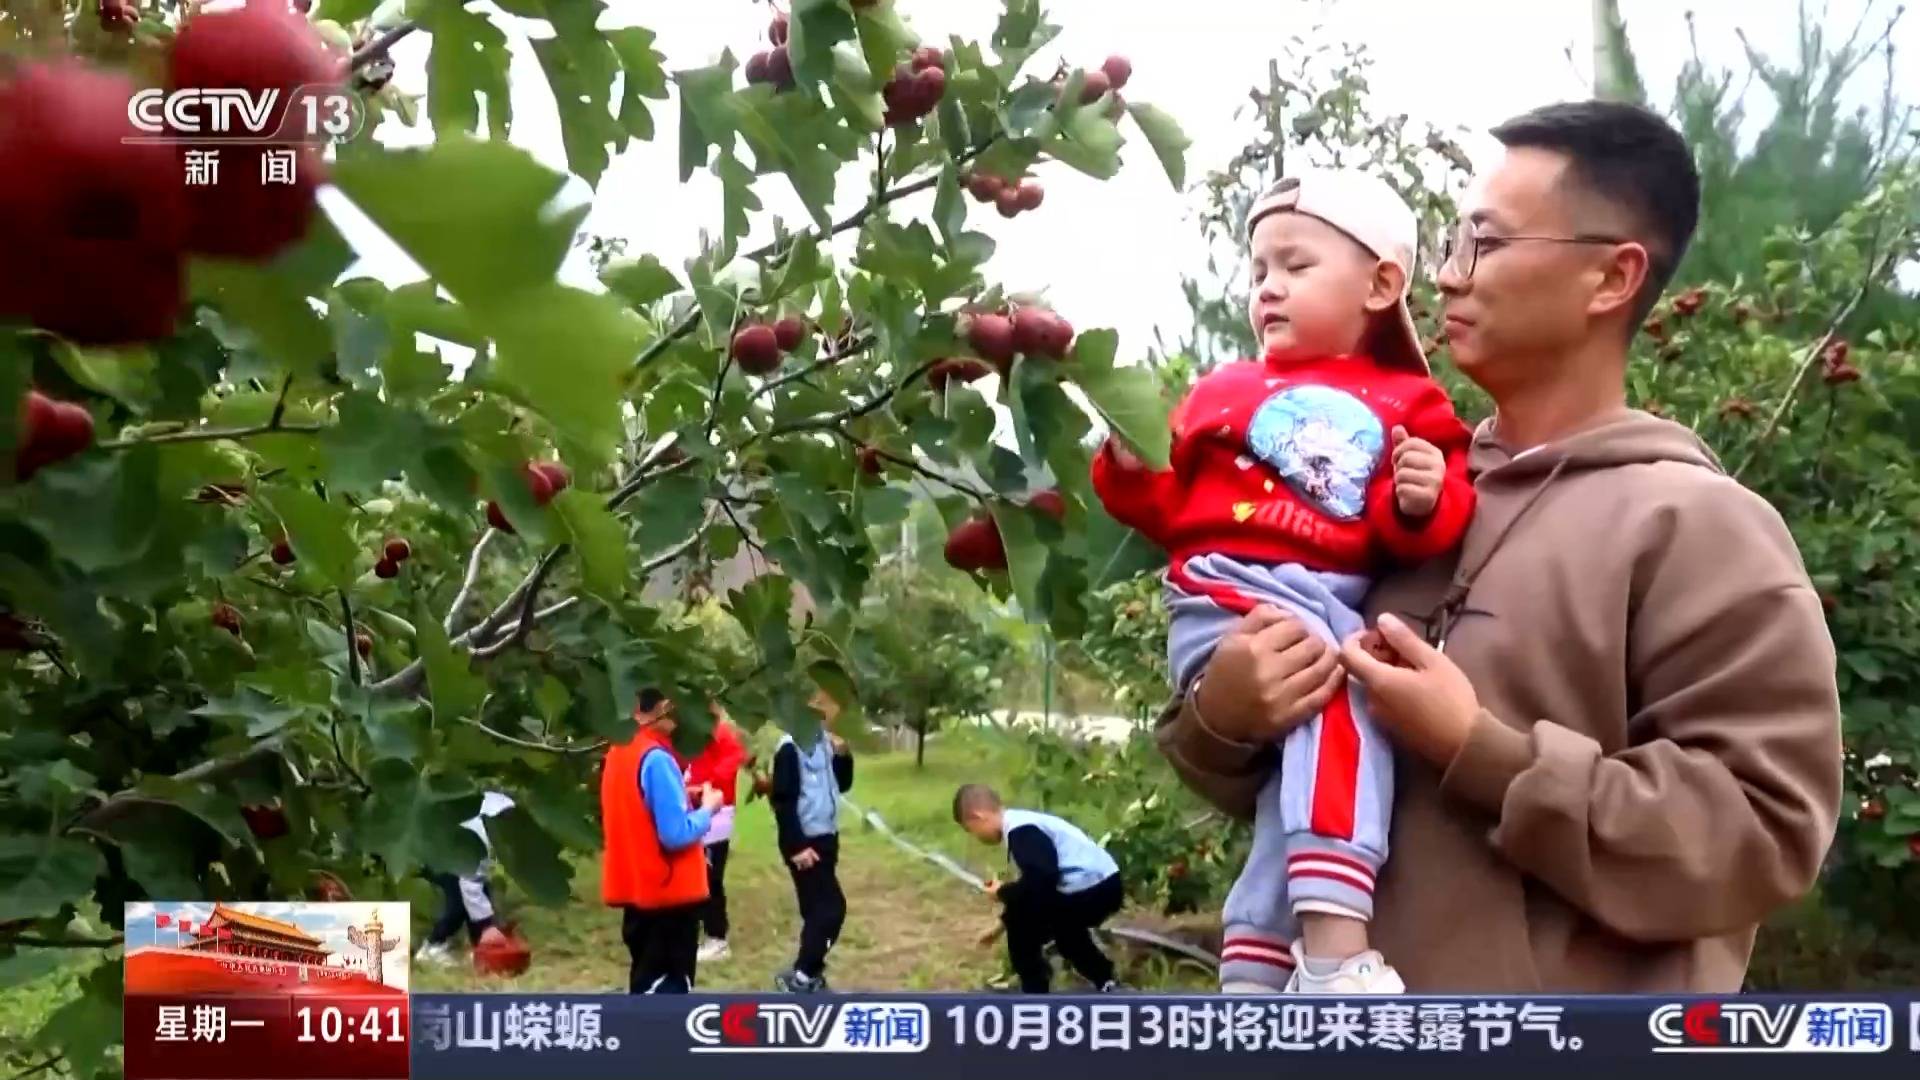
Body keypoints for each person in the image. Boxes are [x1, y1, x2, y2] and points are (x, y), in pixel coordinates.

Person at [1154, 100, 1842, 992]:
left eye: (1485, 243)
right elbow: (1289, 773)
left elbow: (1763, 833)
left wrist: (1479, 749)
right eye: (1450, 245)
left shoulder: (1699, 528)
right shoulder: (1393, 495)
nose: (1446, 278)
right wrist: (1225, 717)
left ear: (1610, 278)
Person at [1093, 168, 1475, 993]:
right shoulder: (1222, 391)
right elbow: (1166, 503)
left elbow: (1420, 526)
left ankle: (1257, 972)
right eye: (1259, 269)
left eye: (1296, 267)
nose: (1268, 288)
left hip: (1323, 597)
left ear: (1381, 284)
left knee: (1291, 782)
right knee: (1348, 699)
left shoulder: (1410, 402)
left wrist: (1420, 499)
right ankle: (1336, 951)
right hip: (1225, 588)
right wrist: (1127, 462)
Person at [600, 688, 722, 993]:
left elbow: (638, 809)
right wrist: (708, 809)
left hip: (638, 892)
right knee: (669, 987)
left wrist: (683, 795)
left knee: (645, 978)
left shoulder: (618, 752)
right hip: (669, 896)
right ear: (665, 707)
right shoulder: (655, 758)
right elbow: (675, 834)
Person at [953, 784, 1125, 994]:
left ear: (977, 816)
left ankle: (1034, 992)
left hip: (1094, 888)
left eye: (971, 830)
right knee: (1064, 930)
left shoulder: (1021, 831)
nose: (976, 837)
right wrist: (1000, 925)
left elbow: (1042, 879)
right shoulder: (1023, 822)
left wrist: (1002, 893)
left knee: (1024, 927)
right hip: (1103, 884)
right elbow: (1036, 889)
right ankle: (1106, 982)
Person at [769, 687, 854, 993]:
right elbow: (783, 802)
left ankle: (811, 976)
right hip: (805, 843)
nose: (835, 711)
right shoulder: (790, 748)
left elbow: (842, 786)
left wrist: (844, 756)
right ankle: (802, 975)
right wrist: (796, 846)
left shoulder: (826, 744)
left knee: (815, 910)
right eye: (829, 704)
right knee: (831, 908)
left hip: (827, 837)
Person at [415, 790, 515, 967]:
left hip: (449, 856)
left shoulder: (487, 817)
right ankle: (432, 947)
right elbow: (471, 883)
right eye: (505, 816)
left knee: (478, 899)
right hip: (440, 860)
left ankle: (480, 949)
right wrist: (488, 924)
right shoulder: (482, 833)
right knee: (459, 904)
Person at [686, 701, 750, 964]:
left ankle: (717, 938)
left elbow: (734, 759)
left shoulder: (720, 733)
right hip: (697, 810)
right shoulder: (694, 734)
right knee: (697, 874)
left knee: (710, 877)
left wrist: (704, 785)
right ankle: (701, 933)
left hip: (716, 812)